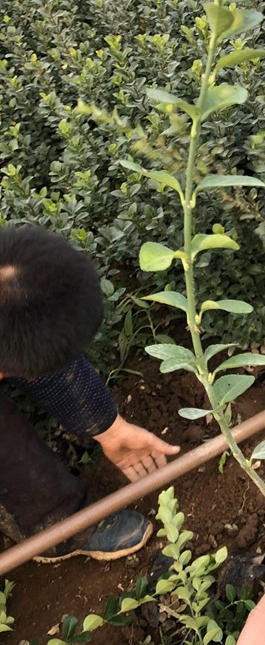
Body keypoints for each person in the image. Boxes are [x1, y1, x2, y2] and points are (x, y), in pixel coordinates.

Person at [0, 225, 180, 562]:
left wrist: (108, 427)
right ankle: (55, 527)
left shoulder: (12, 277)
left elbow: (36, 345)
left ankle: (65, 520)